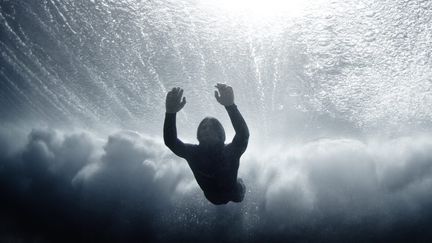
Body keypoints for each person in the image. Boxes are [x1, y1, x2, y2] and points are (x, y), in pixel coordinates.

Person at [163, 83, 249, 205]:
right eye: (203, 128)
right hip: (212, 197)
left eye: (212, 127)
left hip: (234, 192)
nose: (207, 129)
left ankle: (240, 182)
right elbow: (171, 142)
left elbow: (243, 135)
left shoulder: (230, 151)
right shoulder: (193, 153)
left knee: (239, 196)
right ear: (198, 135)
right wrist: (170, 113)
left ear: (221, 134)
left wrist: (230, 106)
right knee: (219, 199)